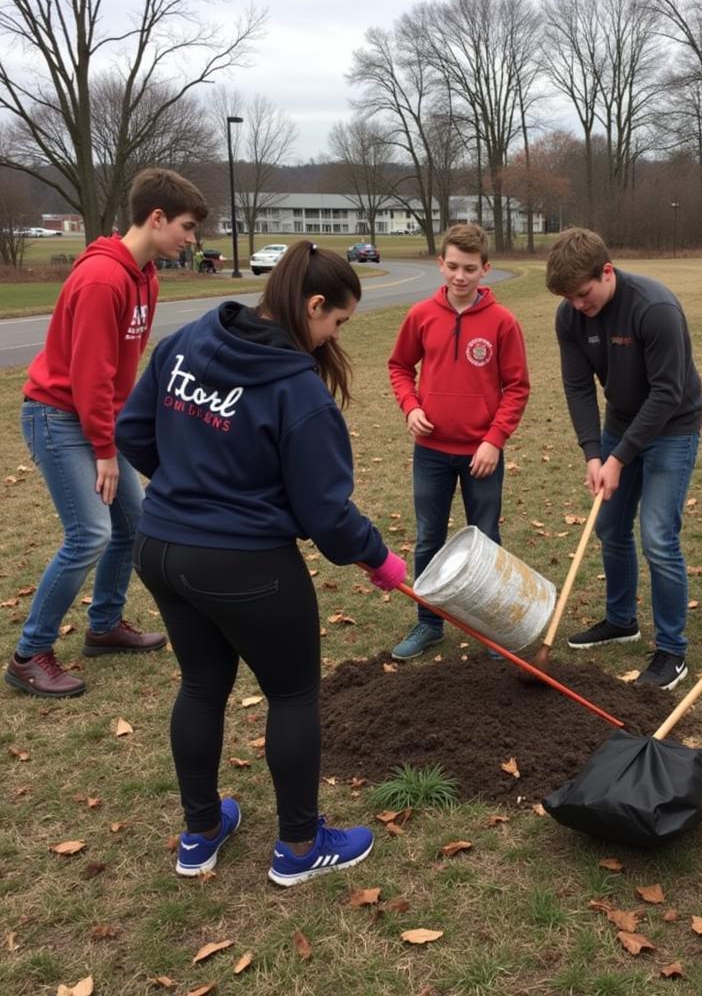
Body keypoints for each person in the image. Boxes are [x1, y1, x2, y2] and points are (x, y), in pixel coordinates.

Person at [115, 241, 407, 886]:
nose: (335, 335)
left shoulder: (188, 338)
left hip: (161, 548)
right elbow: (327, 515)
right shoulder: (299, 393)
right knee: (293, 693)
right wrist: (381, 560)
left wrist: (189, 491)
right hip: (245, 565)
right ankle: (300, 847)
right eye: (337, 322)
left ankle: (201, 833)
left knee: (200, 686)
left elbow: (134, 432)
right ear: (313, 304)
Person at [5, 168, 208, 700]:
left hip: (97, 419)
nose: (191, 239)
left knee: (133, 525)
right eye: (186, 227)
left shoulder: (146, 276)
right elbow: (89, 374)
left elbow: (123, 368)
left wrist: (124, 430)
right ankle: (29, 655)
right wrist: (105, 450)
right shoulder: (103, 279)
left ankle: (104, 626)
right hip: (58, 416)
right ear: (156, 218)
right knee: (89, 533)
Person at [547, 227, 702, 690]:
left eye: (583, 293)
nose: (578, 304)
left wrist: (620, 457)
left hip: (672, 426)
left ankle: (672, 651)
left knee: (658, 536)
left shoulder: (653, 309)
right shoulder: (569, 316)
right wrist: (595, 454)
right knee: (610, 526)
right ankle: (621, 620)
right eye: (568, 297)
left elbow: (667, 393)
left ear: (607, 272)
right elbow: (577, 386)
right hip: (620, 422)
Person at [387, 223, 530, 660]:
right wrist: (411, 407)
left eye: (470, 268)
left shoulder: (503, 321)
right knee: (429, 539)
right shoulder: (421, 315)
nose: (460, 276)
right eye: (452, 267)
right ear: (440, 264)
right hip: (431, 453)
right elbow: (399, 366)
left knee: (486, 541)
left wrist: (494, 440)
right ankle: (429, 623)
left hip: (480, 456)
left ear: (485, 269)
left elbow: (517, 387)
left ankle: (492, 628)